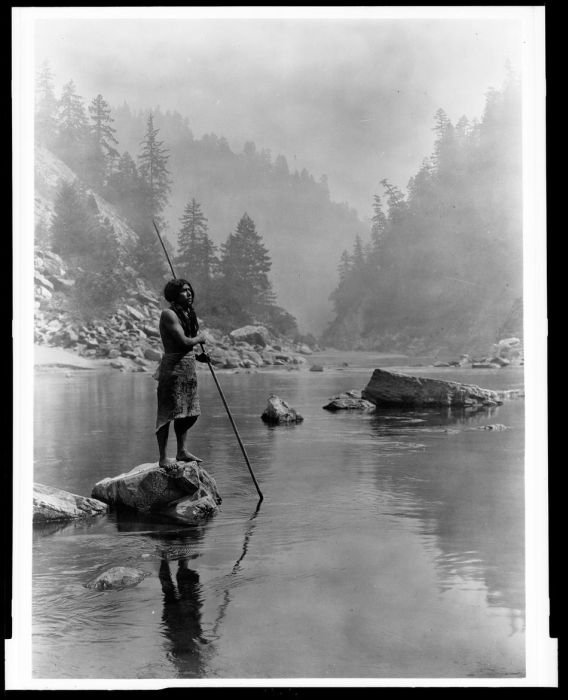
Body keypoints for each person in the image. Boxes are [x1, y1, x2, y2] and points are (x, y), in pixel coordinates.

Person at [155, 278, 210, 468]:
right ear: (173, 296)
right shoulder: (168, 314)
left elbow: (188, 348)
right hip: (172, 370)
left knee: (189, 413)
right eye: (184, 291)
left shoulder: (188, 314)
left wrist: (199, 357)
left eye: (190, 290)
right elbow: (182, 342)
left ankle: (181, 451)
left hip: (188, 368)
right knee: (167, 414)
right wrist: (200, 338)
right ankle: (163, 457)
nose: (189, 294)